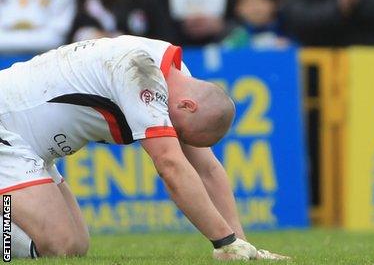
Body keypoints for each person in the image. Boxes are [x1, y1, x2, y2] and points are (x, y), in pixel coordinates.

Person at [0, 35, 288, 260]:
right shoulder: (140, 71)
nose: (174, 136)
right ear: (188, 106)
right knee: (59, 243)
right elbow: (171, 166)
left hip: (26, 141)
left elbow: (207, 169)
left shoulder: (177, 77)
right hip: (5, 124)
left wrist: (239, 244)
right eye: (179, 132)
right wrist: (222, 241)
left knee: (73, 247)